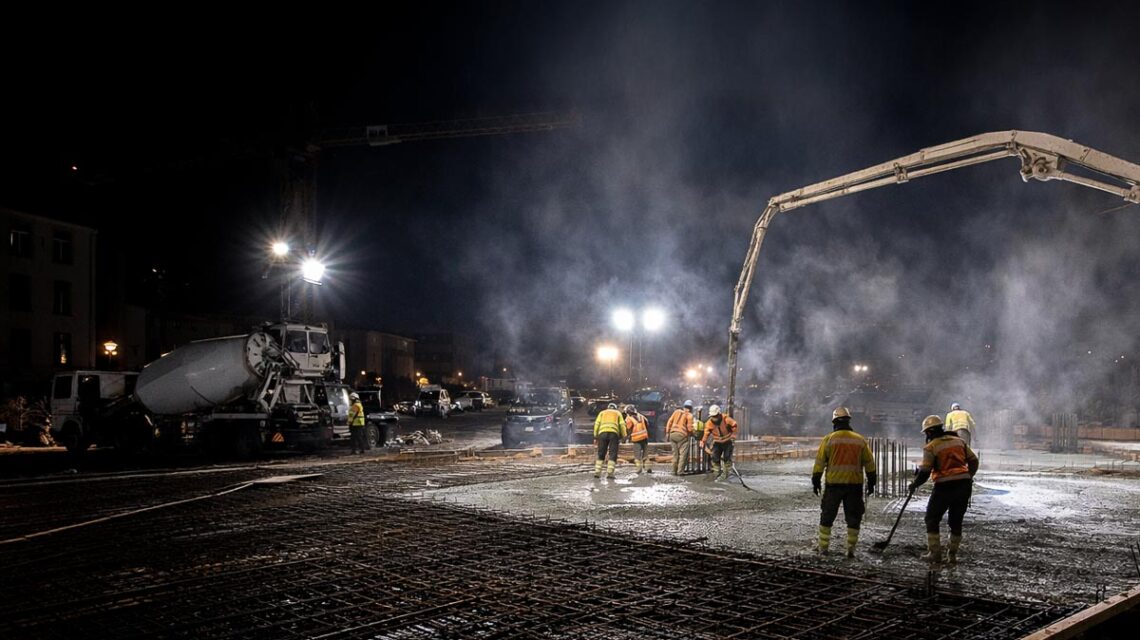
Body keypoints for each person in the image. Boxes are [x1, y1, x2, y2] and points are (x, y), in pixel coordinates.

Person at [909, 415, 979, 565]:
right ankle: (952, 556)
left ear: (928, 432)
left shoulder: (931, 447)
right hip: (963, 486)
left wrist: (915, 484)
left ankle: (935, 553)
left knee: (931, 518)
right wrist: (968, 476)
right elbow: (974, 460)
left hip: (944, 487)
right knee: (956, 521)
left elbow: (925, 471)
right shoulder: (959, 441)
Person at [811, 407, 876, 557]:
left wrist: (816, 480)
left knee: (827, 516)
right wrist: (872, 481)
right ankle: (850, 549)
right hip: (854, 485)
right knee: (853, 518)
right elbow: (870, 463)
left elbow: (820, 462)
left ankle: (823, 548)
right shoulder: (860, 440)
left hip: (834, 485)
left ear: (834, 422)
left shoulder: (829, 439)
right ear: (848, 421)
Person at [699, 404, 738, 481]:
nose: (714, 418)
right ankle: (717, 474)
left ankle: (727, 474)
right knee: (715, 457)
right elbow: (706, 433)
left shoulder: (726, 418)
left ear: (719, 414)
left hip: (727, 441)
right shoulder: (709, 423)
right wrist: (703, 441)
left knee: (727, 457)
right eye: (713, 416)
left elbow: (734, 425)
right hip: (717, 442)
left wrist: (733, 435)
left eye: (716, 416)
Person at [594, 402, 628, 479]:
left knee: (601, 453)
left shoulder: (602, 413)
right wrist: (624, 436)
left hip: (602, 434)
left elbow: (597, 424)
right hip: (614, 434)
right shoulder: (617, 413)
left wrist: (595, 436)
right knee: (613, 453)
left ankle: (597, 472)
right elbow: (622, 425)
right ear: (615, 408)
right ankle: (610, 473)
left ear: (608, 407)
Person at [665, 399, 695, 475]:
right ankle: (680, 471)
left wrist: (667, 432)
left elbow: (669, 422)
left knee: (675, 454)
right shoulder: (689, 415)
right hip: (682, 435)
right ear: (691, 408)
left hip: (672, 434)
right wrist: (693, 433)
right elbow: (689, 428)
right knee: (683, 454)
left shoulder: (676, 412)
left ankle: (673, 471)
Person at [625, 404, 652, 474]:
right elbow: (647, 424)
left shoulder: (628, 419)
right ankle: (648, 468)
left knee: (637, 455)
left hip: (636, 439)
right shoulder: (641, 416)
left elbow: (628, 429)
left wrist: (626, 438)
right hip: (644, 437)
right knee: (645, 454)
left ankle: (639, 469)